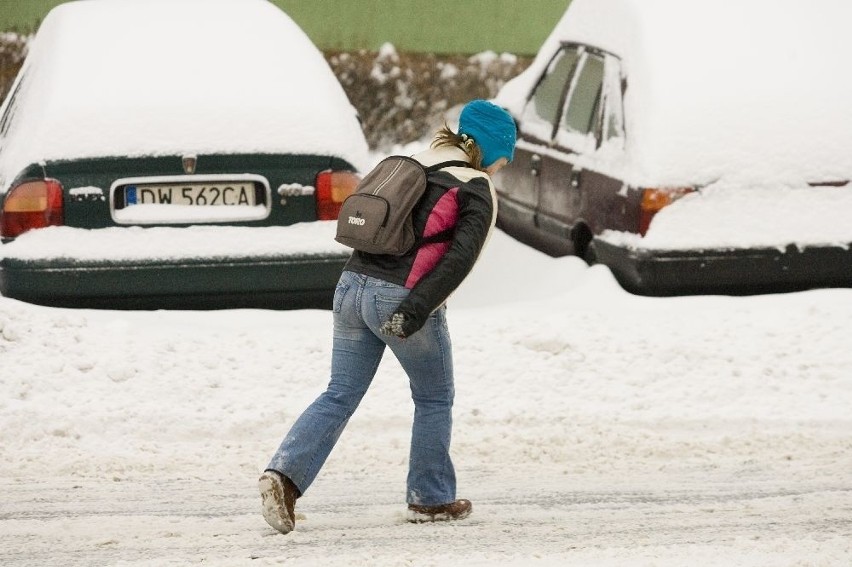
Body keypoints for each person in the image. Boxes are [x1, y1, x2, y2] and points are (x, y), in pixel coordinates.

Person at [258, 99, 517, 534]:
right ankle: (430, 498)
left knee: (339, 392)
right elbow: (458, 262)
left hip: (350, 285)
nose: (501, 167)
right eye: (504, 157)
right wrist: (415, 309)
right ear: (491, 150)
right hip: (398, 298)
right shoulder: (473, 185)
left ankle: (282, 476)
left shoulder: (414, 161)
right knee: (434, 396)